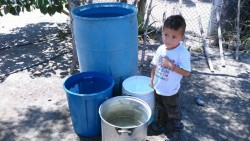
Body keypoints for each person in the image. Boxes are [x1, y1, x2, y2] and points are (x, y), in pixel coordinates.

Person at [149, 15, 191, 141]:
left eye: (174, 37)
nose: (168, 39)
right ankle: (162, 124)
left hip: (171, 91)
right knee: (160, 107)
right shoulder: (161, 48)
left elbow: (187, 73)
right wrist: (152, 81)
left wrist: (171, 66)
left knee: (173, 111)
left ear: (181, 37)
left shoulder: (183, 53)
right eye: (166, 34)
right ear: (162, 32)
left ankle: (176, 129)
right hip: (158, 87)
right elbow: (155, 66)